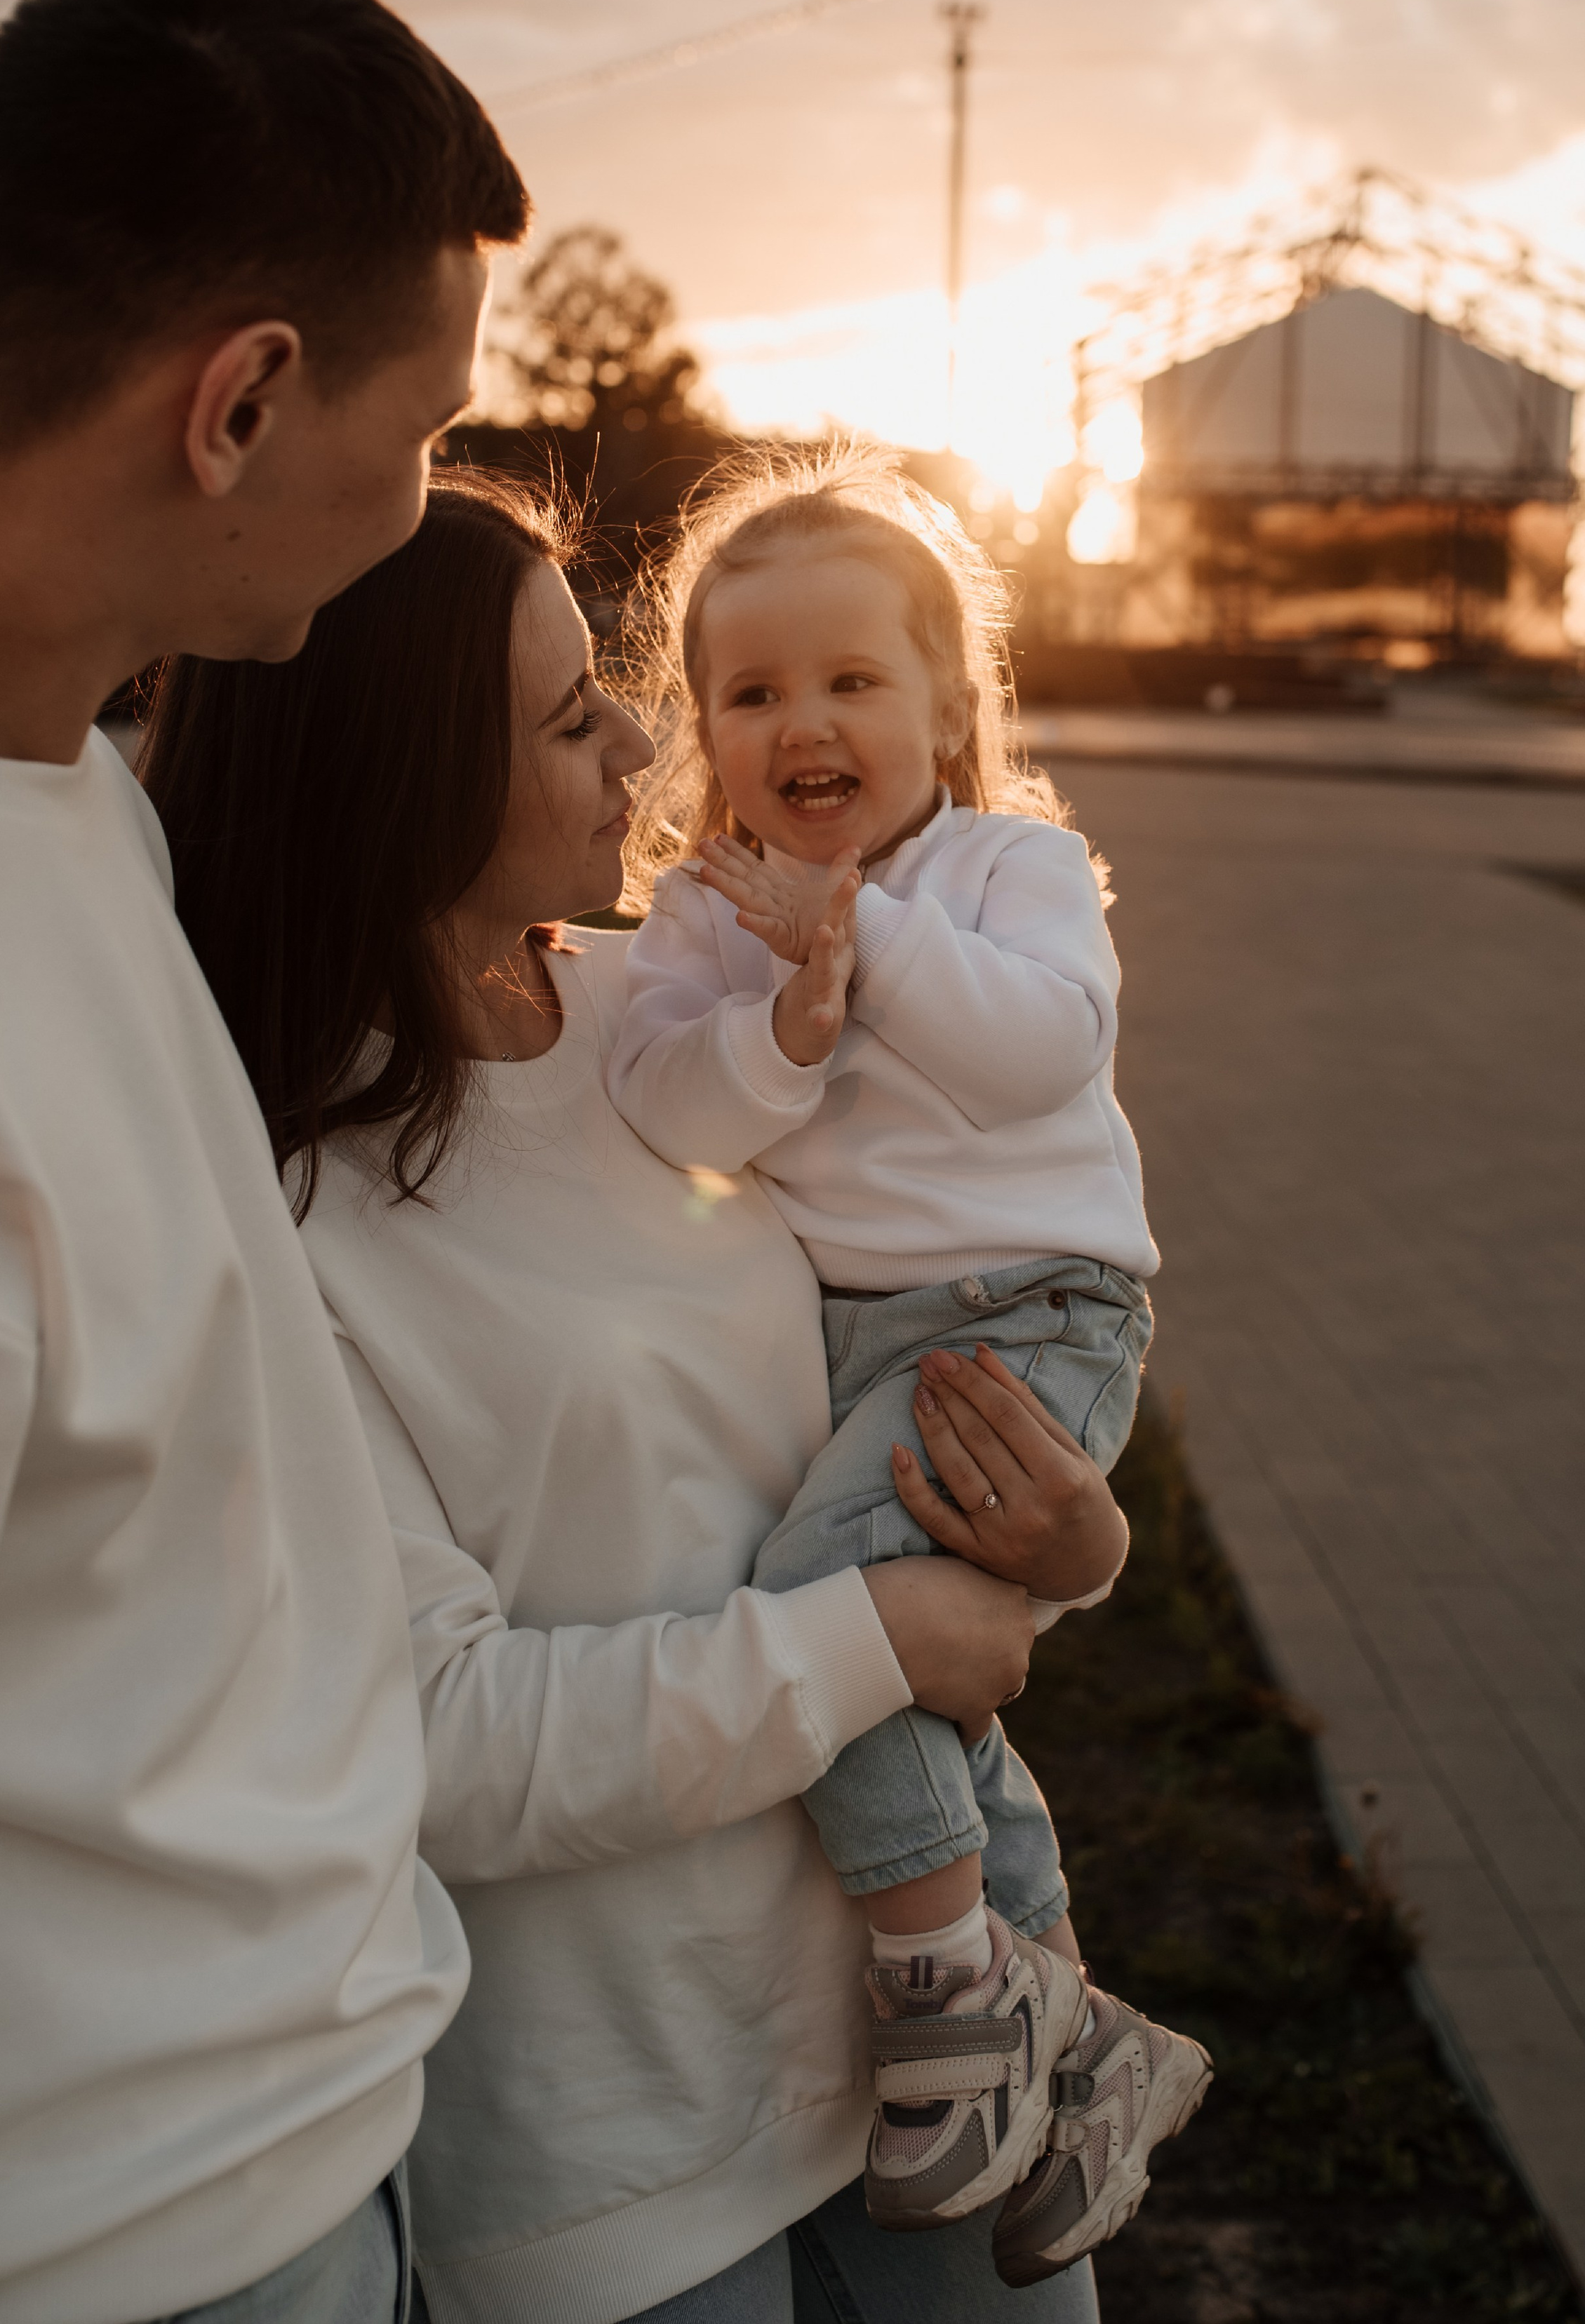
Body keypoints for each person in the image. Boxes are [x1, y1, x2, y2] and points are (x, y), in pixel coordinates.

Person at [141, 471, 1120, 2324]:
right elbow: (440, 1739)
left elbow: (866, 1413)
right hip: (624, 2143)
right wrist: (874, 1635)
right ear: (406, 770)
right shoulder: (280, 1205)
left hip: (924, 2038)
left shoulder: (684, 1024)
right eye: (569, 708)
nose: (647, 741)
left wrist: (1069, 1545)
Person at [0, 0, 528, 2324]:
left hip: (309, 2153)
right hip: (120, 2259)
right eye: (420, 440)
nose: (419, 512)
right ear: (239, 404)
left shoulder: (62, 783)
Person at [606, 443, 1210, 2274]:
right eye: (753, 688)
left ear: (950, 705)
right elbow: (661, 1097)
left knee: (824, 1607)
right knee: (909, 1688)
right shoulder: (711, 913)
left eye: (853, 679)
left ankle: (955, 1983)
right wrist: (781, 1025)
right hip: (861, 1335)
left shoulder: (1009, 868)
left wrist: (859, 936)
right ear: (701, 725)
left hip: (1031, 1312)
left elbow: (1036, 1056)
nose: (805, 720)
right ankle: (1067, 2026)